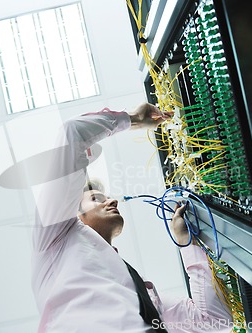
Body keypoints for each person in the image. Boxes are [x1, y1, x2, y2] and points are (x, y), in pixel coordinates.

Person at [31, 103, 232, 332]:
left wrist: (187, 244)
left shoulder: (141, 292)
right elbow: (72, 132)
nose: (112, 201)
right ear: (74, 213)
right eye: (97, 198)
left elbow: (214, 320)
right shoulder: (54, 238)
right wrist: (134, 119)